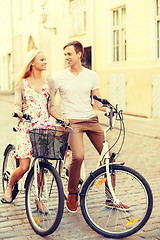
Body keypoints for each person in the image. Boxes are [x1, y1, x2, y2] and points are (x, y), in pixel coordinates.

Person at [53, 41, 130, 213]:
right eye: (64, 54)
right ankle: (72, 193)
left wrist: (107, 109)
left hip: (91, 120)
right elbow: (49, 100)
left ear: (79, 54)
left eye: (69, 54)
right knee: (78, 156)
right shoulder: (58, 77)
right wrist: (58, 117)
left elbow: (97, 101)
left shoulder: (91, 75)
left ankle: (110, 198)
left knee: (109, 157)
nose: (66, 57)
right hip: (72, 122)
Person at [1, 49, 66, 205]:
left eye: (45, 59)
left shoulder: (50, 82)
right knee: (24, 166)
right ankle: (10, 186)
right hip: (27, 126)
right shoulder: (21, 84)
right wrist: (18, 112)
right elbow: (17, 106)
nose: (45, 62)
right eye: (42, 59)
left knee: (42, 166)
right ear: (32, 63)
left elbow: (51, 108)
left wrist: (61, 119)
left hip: (44, 126)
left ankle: (38, 198)